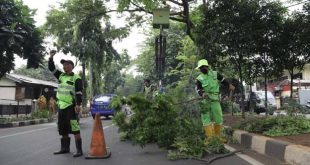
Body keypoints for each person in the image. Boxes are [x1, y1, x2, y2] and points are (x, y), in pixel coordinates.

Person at [48, 50, 83, 157]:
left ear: (72, 66)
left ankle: (79, 150)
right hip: (61, 106)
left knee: (75, 127)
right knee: (62, 128)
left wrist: (78, 104)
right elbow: (51, 68)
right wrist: (50, 57)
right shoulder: (61, 76)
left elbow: (79, 92)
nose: (64, 66)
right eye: (63, 65)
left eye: (67, 64)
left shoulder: (76, 77)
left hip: (71, 107)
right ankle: (65, 148)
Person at [195, 59, 235, 142]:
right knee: (206, 119)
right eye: (200, 68)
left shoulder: (215, 74)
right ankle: (210, 138)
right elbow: (198, 89)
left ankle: (217, 137)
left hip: (215, 99)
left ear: (207, 66)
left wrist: (229, 85)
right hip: (205, 100)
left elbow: (223, 80)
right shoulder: (199, 78)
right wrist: (203, 94)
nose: (202, 69)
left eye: (203, 67)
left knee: (218, 118)